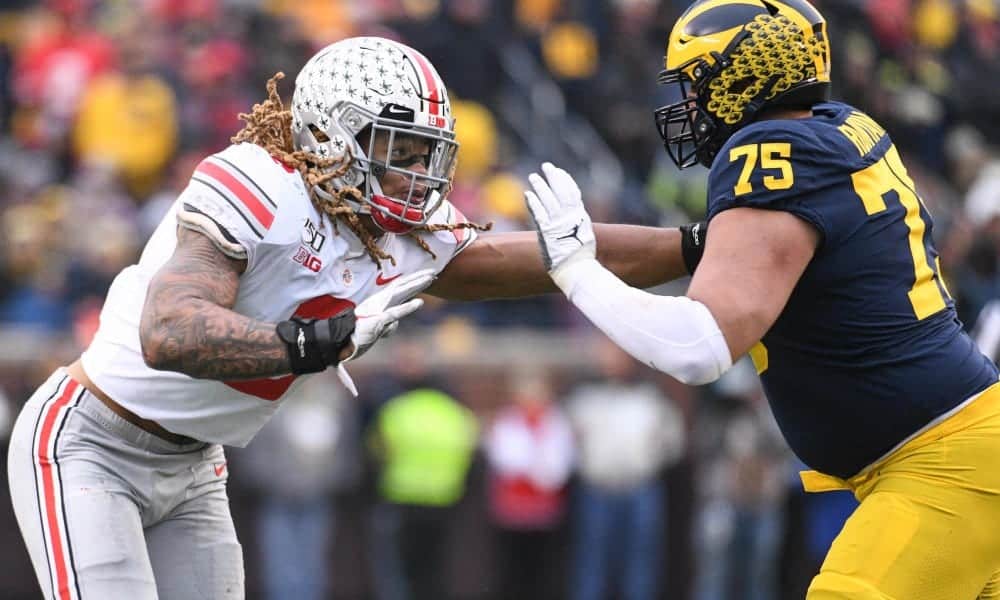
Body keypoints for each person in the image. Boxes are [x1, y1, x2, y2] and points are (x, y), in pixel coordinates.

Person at [7, 36, 702, 599]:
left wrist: (695, 245)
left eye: (425, 151)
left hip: (194, 467)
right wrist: (317, 342)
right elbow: (171, 332)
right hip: (91, 445)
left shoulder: (399, 227)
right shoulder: (263, 182)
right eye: (397, 149)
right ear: (331, 137)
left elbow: (547, 255)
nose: (416, 172)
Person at [524, 1, 1000, 598]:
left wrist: (576, 272)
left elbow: (696, 347)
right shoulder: (839, 129)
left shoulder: (771, 152)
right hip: (961, 451)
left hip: (942, 463)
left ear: (743, 77)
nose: (686, 104)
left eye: (696, 83)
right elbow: (694, 251)